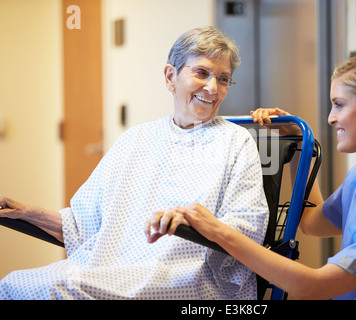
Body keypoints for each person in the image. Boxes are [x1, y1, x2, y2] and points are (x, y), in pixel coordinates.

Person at [0, 26, 269, 300]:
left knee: (59, 288)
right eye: (201, 73)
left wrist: (193, 222)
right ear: (170, 77)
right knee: (14, 284)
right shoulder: (136, 139)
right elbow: (82, 223)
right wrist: (28, 212)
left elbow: (249, 226)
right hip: (111, 271)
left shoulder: (236, 141)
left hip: (188, 279)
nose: (212, 88)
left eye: (223, 79)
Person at [166, 55, 356, 300]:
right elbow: (312, 223)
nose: (330, 118)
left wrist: (218, 232)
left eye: (339, 104)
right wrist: (299, 144)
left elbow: (314, 286)